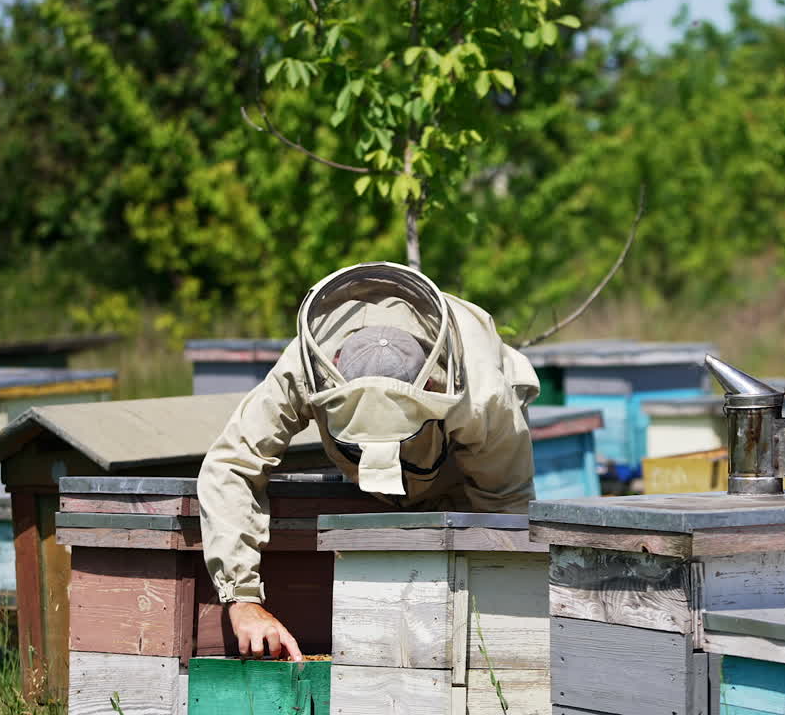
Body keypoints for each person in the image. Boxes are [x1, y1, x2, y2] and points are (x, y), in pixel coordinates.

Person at [198, 262, 540, 661]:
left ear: (431, 387)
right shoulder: (305, 366)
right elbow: (231, 464)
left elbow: (505, 508)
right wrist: (241, 598)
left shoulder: (483, 398)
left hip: (461, 479)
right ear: (335, 367)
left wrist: (498, 634)